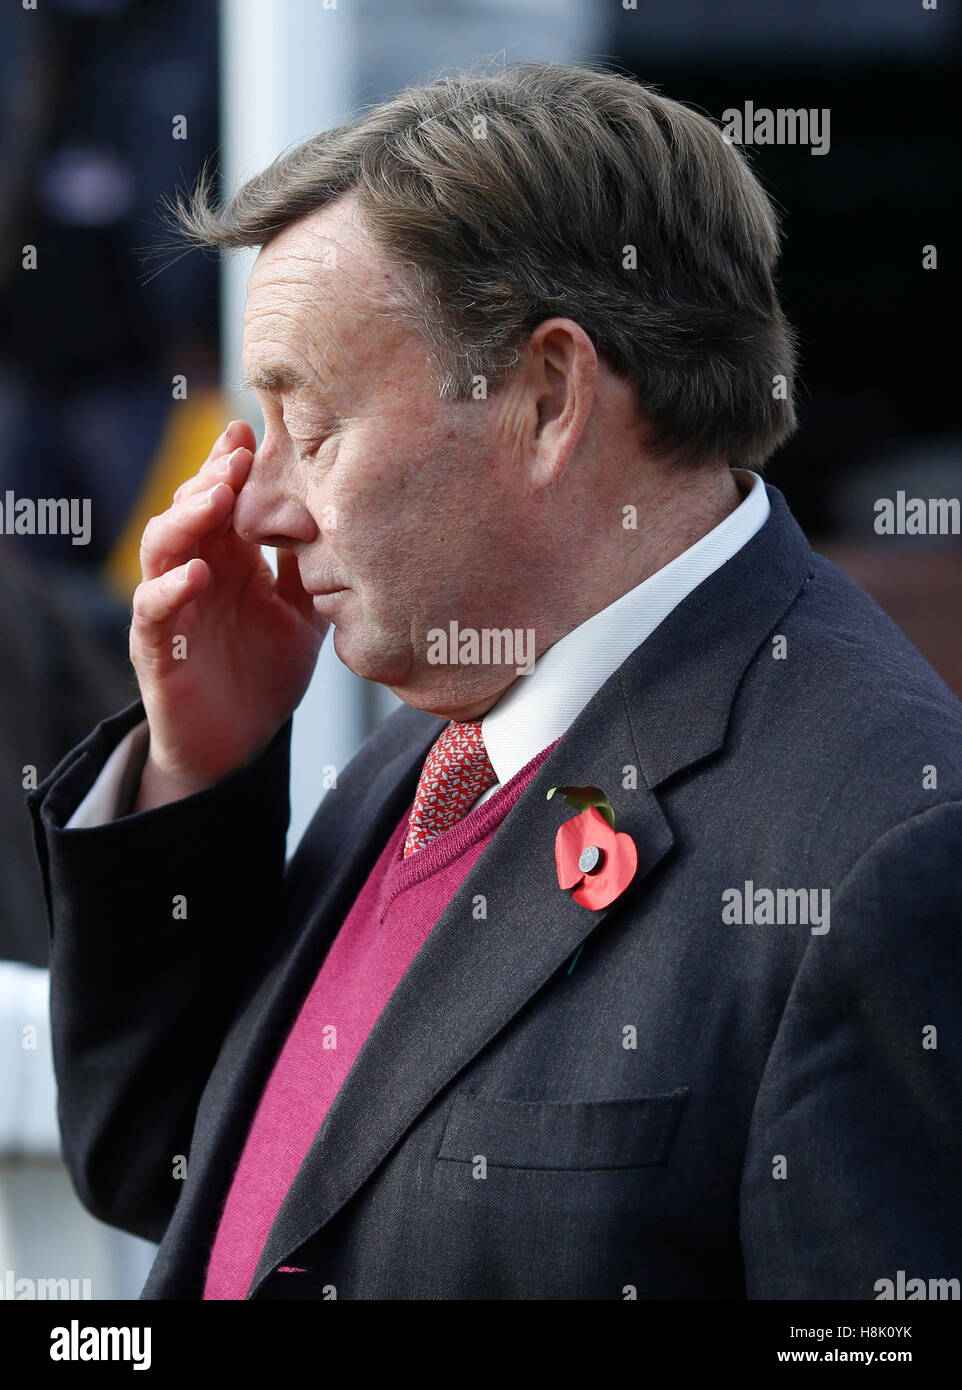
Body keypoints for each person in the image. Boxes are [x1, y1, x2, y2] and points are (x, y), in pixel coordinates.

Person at [27, 63, 962, 1301]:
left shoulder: (889, 847)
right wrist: (196, 775)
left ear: (543, 397)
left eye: (310, 429)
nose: (254, 505)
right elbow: (176, 1174)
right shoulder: (442, 739)